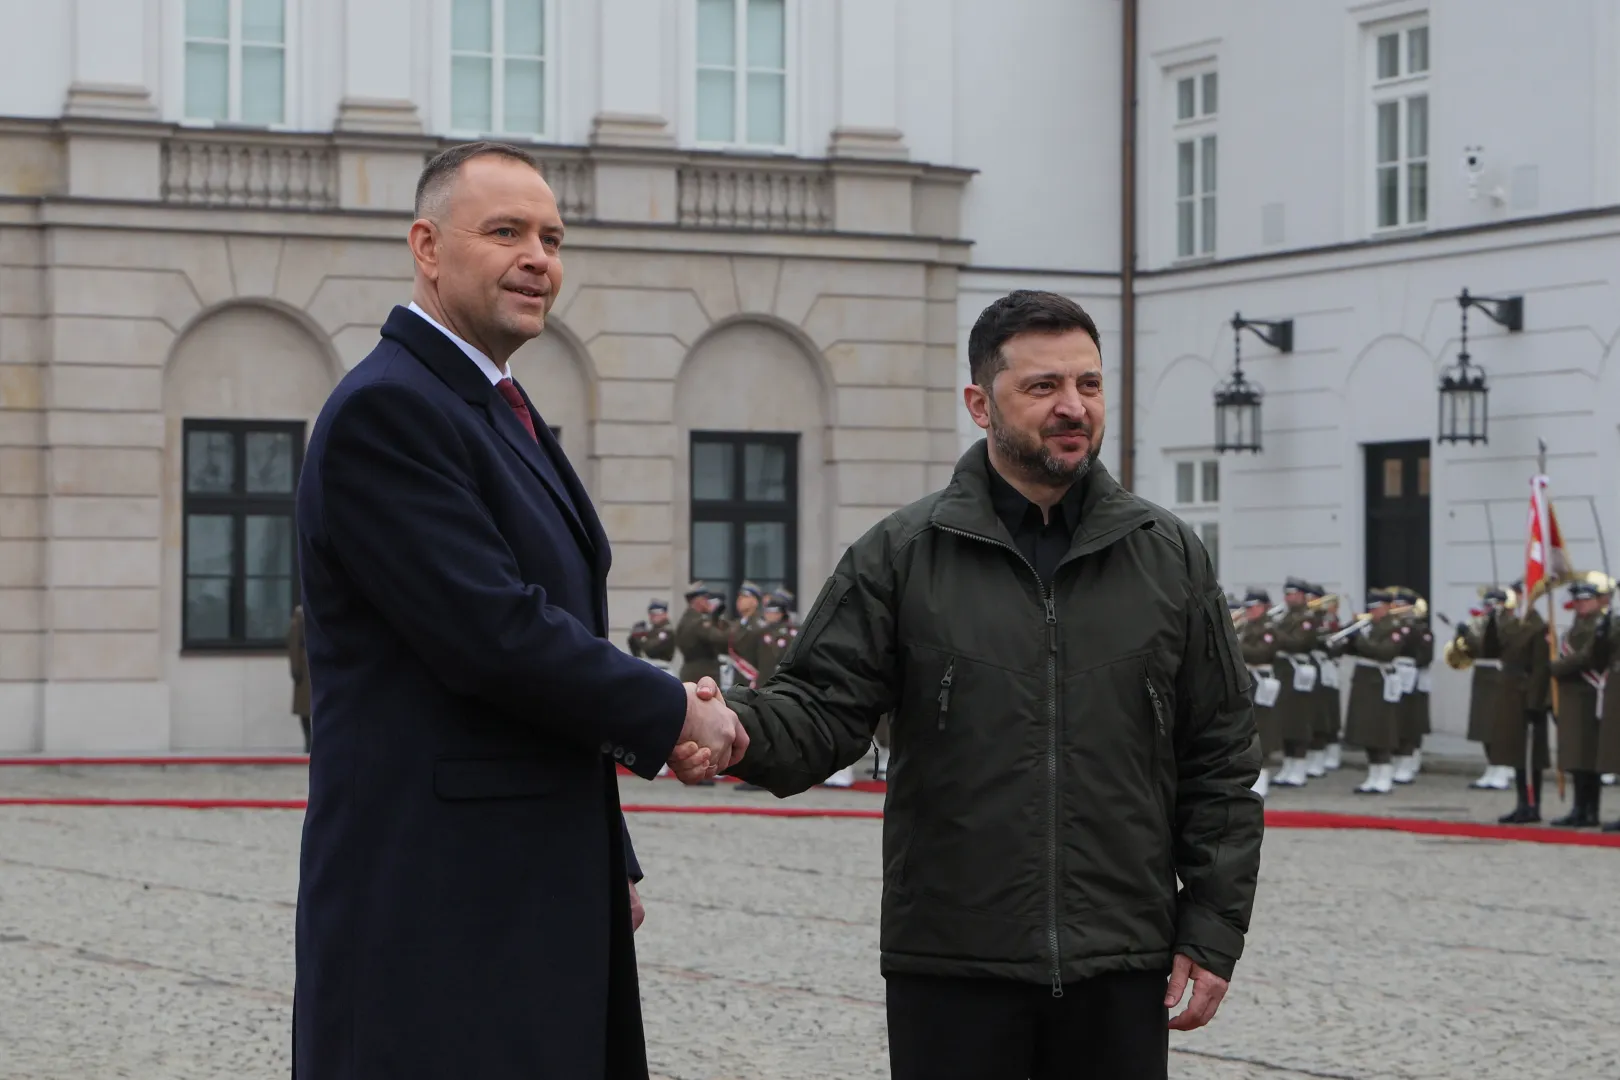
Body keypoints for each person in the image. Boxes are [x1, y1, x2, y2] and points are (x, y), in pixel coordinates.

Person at [686, 290, 1262, 1079]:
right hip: (951, 966)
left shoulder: (1170, 557)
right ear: (979, 403)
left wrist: (1211, 930)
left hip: (1121, 965)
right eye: (1043, 387)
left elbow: (1221, 756)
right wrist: (734, 732)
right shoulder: (901, 553)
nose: (1073, 407)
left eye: (1089, 385)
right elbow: (820, 709)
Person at [291, 141, 745, 1080]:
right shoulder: (391, 410)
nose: (539, 257)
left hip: (528, 880)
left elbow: (557, 636)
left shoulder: (494, 404)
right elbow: (495, 636)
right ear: (427, 245)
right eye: (505, 232)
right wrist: (673, 714)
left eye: (552, 235)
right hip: (437, 901)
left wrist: (604, 852)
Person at [1489, 584, 1552, 823]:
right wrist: (1493, 622)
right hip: (1510, 693)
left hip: (1527, 695)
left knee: (1530, 756)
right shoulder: (1510, 623)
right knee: (1516, 752)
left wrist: (1536, 703)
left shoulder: (1537, 627)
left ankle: (1532, 805)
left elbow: (1540, 668)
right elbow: (1491, 649)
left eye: (1519, 595)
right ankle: (1521, 803)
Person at [1333, 588, 1404, 795]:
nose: (1373, 612)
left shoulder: (1395, 626)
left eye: (1377, 607)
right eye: (1371, 608)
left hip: (1380, 682)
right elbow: (1348, 650)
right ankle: (1373, 774)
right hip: (1364, 682)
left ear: (1387, 607)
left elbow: (1385, 652)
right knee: (1366, 730)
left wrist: (1361, 639)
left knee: (1381, 730)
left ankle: (1385, 775)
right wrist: (1347, 637)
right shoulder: (1369, 626)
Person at [1550, 580, 1607, 828]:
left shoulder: (1598, 625)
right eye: (1579, 601)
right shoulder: (1576, 626)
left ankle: (1590, 811)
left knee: (1588, 758)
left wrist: (1557, 668)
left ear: (1597, 601)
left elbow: (1587, 657)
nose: (1582, 605)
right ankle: (1578, 809)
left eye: (1587, 600)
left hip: (1588, 695)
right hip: (1572, 697)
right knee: (1575, 757)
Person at [1269, 578, 1323, 788]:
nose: (1289, 598)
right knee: (1284, 720)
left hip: (1297, 671)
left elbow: (1298, 642)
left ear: (1302, 596)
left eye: (1293, 594)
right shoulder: (1284, 616)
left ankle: (1299, 766)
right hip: (1282, 671)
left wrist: (1273, 632)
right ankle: (1288, 764)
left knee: (1298, 720)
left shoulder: (1307, 618)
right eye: (1287, 594)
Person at [1237, 588, 1282, 798]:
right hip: (1247, 681)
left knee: (1262, 729)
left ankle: (1262, 777)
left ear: (1264, 607)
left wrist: (1234, 645)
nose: (1250, 611)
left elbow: (1261, 653)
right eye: (1248, 607)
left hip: (1261, 680)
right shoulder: (1246, 626)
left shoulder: (1268, 629)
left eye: (1254, 606)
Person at [1390, 588, 1434, 785]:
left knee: (1409, 720)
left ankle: (1408, 762)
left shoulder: (1420, 629)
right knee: (1395, 720)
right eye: (1395, 604)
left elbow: (1425, 656)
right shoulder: (1391, 626)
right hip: (1393, 675)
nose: (1397, 608)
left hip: (1411, 677)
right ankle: (1397, 760)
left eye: (1401, 605)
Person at [1302, 583, 1343, 775]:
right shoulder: (1305, 618)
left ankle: (1330, 751)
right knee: (1310, 711)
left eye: (1313, 598)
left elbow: (1336, 646)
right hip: (1308, 667)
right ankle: (1312, 754)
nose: (1309, 601)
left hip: (1325, 667)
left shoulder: (1327, 619)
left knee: (1327, 710)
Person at [674, 582, 731, 684]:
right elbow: (721, 638)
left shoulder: (685, 619)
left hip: (689, 670)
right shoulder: (699, 622)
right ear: (698, 601)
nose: (708, 602)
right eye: (706, 599)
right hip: (704, 674)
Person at [287, 602, 312, 752]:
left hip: (305, 670)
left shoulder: (300, 617)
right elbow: (294, 645)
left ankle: (309, 741)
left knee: (306, 711)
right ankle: (310, 741)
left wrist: (295, 670)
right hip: (306, 670)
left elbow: (293, 646)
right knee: (307, 710)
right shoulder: (301, 617)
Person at [627, 599, 676, 667]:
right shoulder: (652, 630)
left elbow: (650, 649)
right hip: (649, 666)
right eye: (651, 613)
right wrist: (634, 636)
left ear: (665, 614)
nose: (653, 616)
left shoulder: (667, 632)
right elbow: (636, 650)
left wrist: (639, 637)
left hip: (661, 667)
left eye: (657, 613)